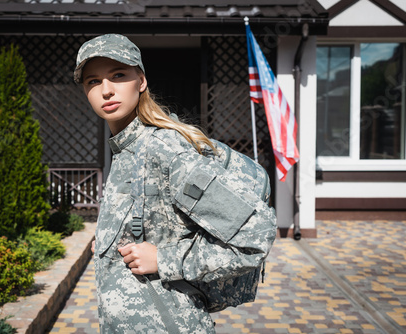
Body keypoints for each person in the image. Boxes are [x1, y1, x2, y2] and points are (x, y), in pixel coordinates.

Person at [74, 33, 275, 333]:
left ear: (140, 81)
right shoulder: (125, 148)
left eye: (118, 75)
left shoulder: (165, 150)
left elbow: (256, 236)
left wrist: (164, 259)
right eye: (93, 81)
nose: (106, 90)